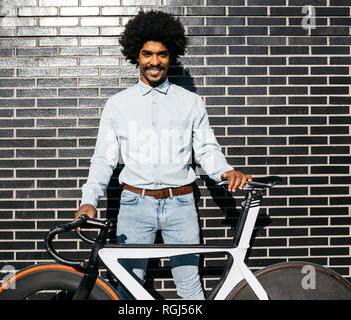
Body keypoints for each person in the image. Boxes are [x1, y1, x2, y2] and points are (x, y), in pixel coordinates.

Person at [74, 10, 252, 300]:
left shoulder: (191, 103)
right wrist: (88, 201)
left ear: (172, 56)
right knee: (129, 288)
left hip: (181, 204)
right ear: (137, 55)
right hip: (134, 205)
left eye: (162, 54)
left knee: (190, 288)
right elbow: (103, 160)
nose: (154, 62)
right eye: (147, 54)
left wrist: (225, 171)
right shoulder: (118, 105)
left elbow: (207, 149)